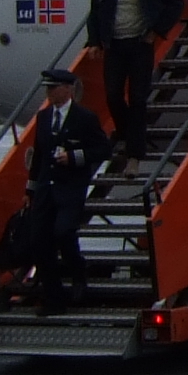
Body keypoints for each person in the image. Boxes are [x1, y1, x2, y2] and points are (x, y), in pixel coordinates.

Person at [84, 0, 186, 163]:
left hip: (140, 44)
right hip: (115, 45)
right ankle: (125, 132)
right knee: (113, 96)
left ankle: (135, 151)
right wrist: (94, 41)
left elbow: (175, 2)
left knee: (138, 98)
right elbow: (95, 14)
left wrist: (157, 30)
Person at [23, 68, 108, 313]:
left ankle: (78, 273)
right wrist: (30, 190)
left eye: (54, 88)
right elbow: (38, 156)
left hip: (70, 188)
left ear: (68, 89)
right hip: (45, 188)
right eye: (48, 88)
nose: (49, 93)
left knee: (63, 232)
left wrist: (74, 157)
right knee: (39, 242)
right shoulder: (43, 117)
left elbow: (102, 149)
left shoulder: (84, 118)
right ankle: (53, 296)